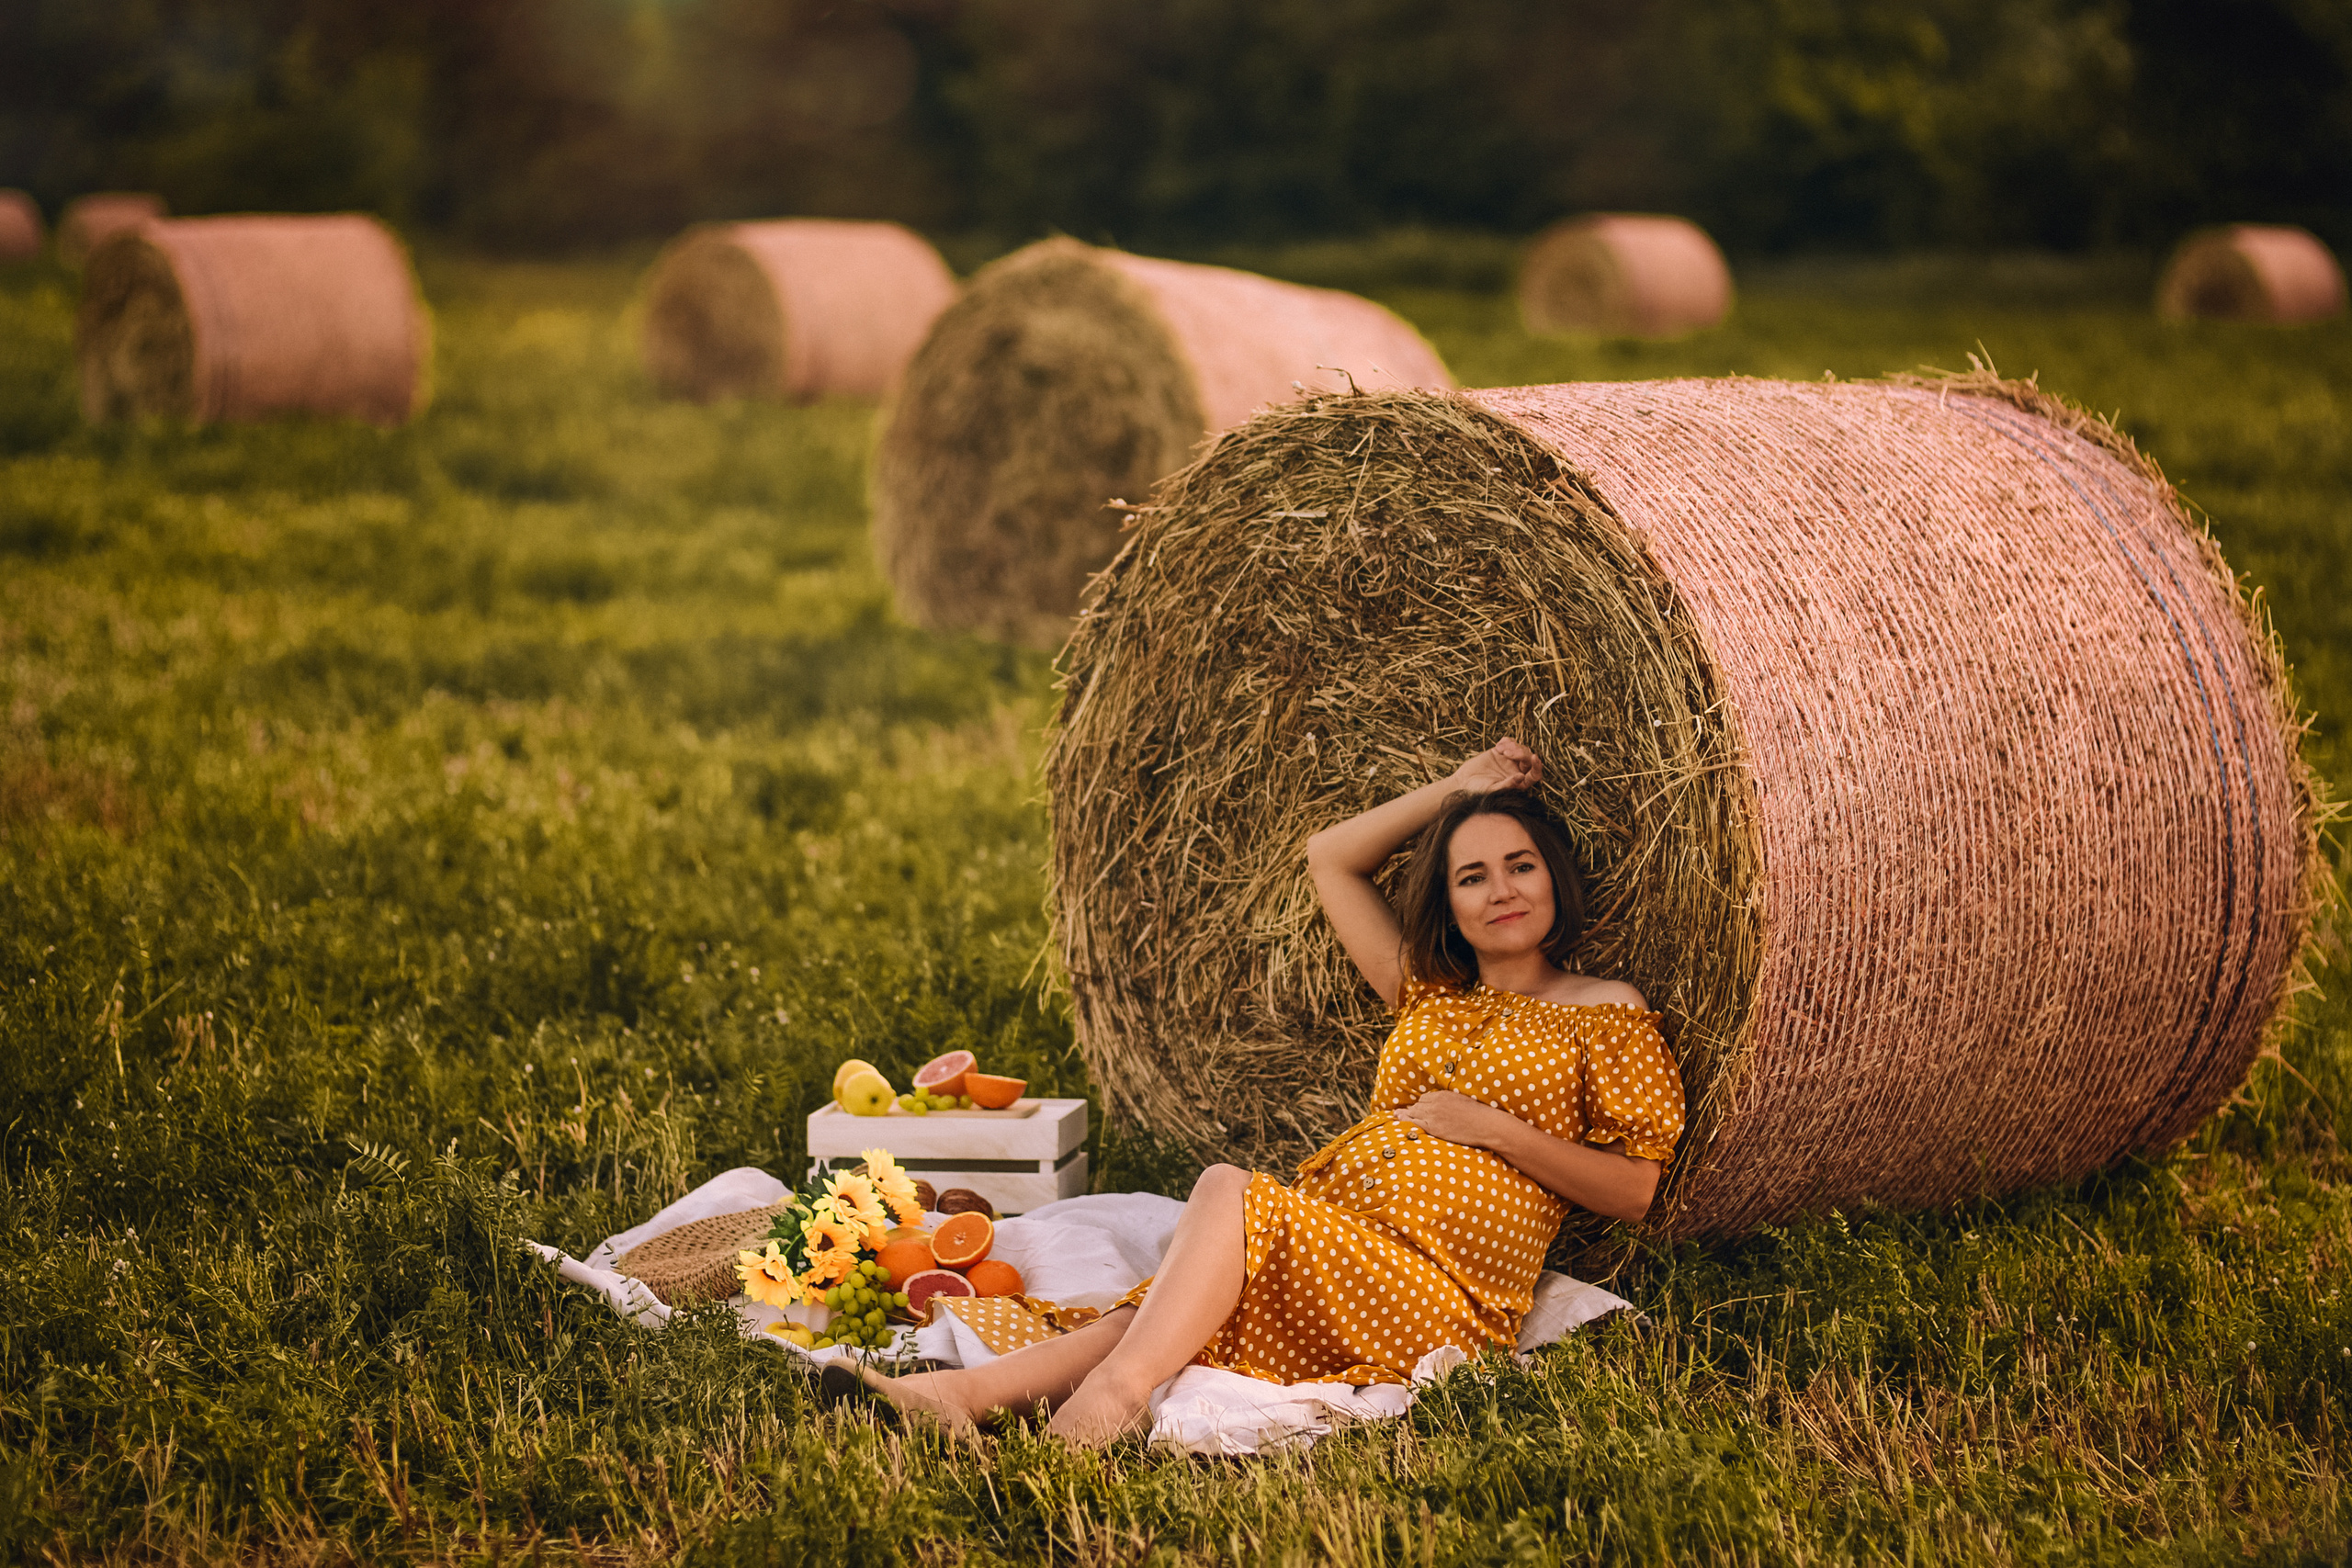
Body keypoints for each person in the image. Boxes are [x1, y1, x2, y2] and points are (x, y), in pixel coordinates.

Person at [838, 738, 1683, 1445]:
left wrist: (1492, 1129)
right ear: (1450, 904)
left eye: (1519, 865)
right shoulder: (1426, 992)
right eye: (1472, 876)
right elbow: (1330, 856)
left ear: (1554, 878)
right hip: (1345, 1232)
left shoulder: (1602, 1010)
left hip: (1440, 1288)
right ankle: (956, 1401)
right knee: (1164, 1307)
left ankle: (1107, 1405)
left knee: (1223, 1191)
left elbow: (1637, 1188)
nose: (1500, 890)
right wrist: (1458, 788)